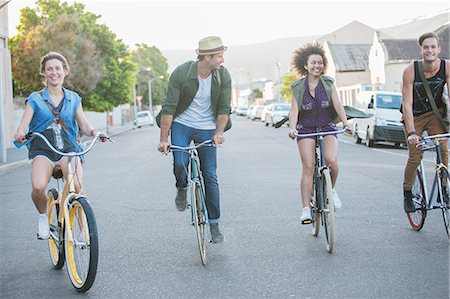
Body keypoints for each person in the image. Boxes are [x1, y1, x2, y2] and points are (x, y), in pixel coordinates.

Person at [14, 51, 107, 239]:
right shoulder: (35, 99)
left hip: (69, 149)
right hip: (43, 150)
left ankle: (84, 233)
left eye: (57, 68)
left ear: (65, 71)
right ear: (44, 73)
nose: (54, 72)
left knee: (78, 188)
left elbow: (85, 125)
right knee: (39, 187)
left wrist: (96, 132)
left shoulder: (74, 98)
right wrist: (20, 133)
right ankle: (43, 217)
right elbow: (23, 125)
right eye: (49, 69)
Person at [156, 36, 232, 243]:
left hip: (207, 128)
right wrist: (164, 139)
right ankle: (182, 187)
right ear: (206, 57)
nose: (222, 60)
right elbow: (169, 107)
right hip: (182, 124)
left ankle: (214, 225)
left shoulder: (222, 75)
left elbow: (224, 108)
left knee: (210, 176)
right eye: (219, 56)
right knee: (180, 162)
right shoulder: (182, 73)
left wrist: (219, 133)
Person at [287, 42, 350, 224]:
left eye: (320, 62)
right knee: (309, 166)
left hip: (327, 126)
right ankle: (306, 209)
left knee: (332, 161)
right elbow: (294, 110)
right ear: (305, 66)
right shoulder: (298, 86)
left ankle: (332, 190)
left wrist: (346, 123)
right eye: (313, 63)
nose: (317, 66)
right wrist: (293, 128)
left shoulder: (328, 83)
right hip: (306, 129)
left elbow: (338, 105)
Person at [401, 32, 450, 213]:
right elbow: (407, 104)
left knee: (443, 150)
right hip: (415, 116)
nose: (430, 50)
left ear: (439, 49)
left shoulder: (447, 67)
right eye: (426, 47)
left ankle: (444, 188)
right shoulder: (410, 70)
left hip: (435, 115)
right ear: (421, 49)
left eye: (433, 47)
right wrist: (412, 132)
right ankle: (407, 192)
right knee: (415, 155)